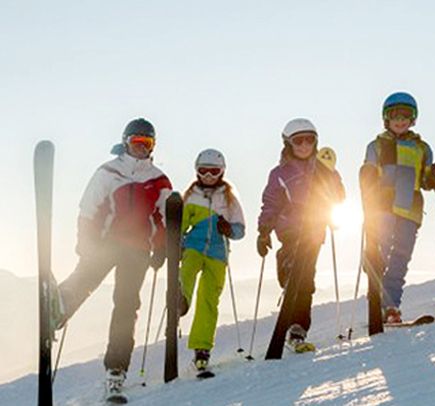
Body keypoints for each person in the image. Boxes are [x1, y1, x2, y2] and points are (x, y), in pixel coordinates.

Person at [48, 118, 172, 399]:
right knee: (87, 277)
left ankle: (116, 369)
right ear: (125, 142)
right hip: (106, 242)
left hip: (138, 249)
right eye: (136, 142)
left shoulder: (159, 179)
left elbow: (164, 217)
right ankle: (58, 307)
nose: (140, 148)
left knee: (126, 305)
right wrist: (84, 241)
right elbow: (88, 208)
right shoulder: (108, 171)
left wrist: (162, 248)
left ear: (153, 146)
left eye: (146, 143)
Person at [257, 118, 345, 351]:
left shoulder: (323, 169)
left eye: (309, 140)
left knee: (306, 279)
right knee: (294, 261)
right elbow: (271, 203)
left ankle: (298, 328)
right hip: (290, 227)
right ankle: (286, 269)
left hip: (315, 229)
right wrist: (264, 230)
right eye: (298, 141)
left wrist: (331, 179)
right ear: (288, 144)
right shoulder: (280, 173)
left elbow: (338, 195)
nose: (304, 145)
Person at [360, 92, 435, 323]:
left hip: (410, 209)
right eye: (395, 115)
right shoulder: (378, 145)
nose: (400, 120)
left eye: (405, 115)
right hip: (383, 207)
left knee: (401, 257)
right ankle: (373, 275)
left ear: (413, 118)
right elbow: (369, 171)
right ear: (386, 118)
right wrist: (367, 180)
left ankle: (390, 307)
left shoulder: (422, 148)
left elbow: (426, 181)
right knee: (382, 251)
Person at [178, 148, 246, 373]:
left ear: (222, 172)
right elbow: (180, 226)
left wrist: (229, 229)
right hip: (194, 247)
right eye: (203, 171)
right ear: (197, 172)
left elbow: (240, 229)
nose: (208, 177)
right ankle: (181, 298)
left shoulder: (229, 198)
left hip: (218, 254)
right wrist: (177, 245)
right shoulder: (191, 197)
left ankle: (201, 349)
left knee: (208, 299)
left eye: (213, 172)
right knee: (187, 269)